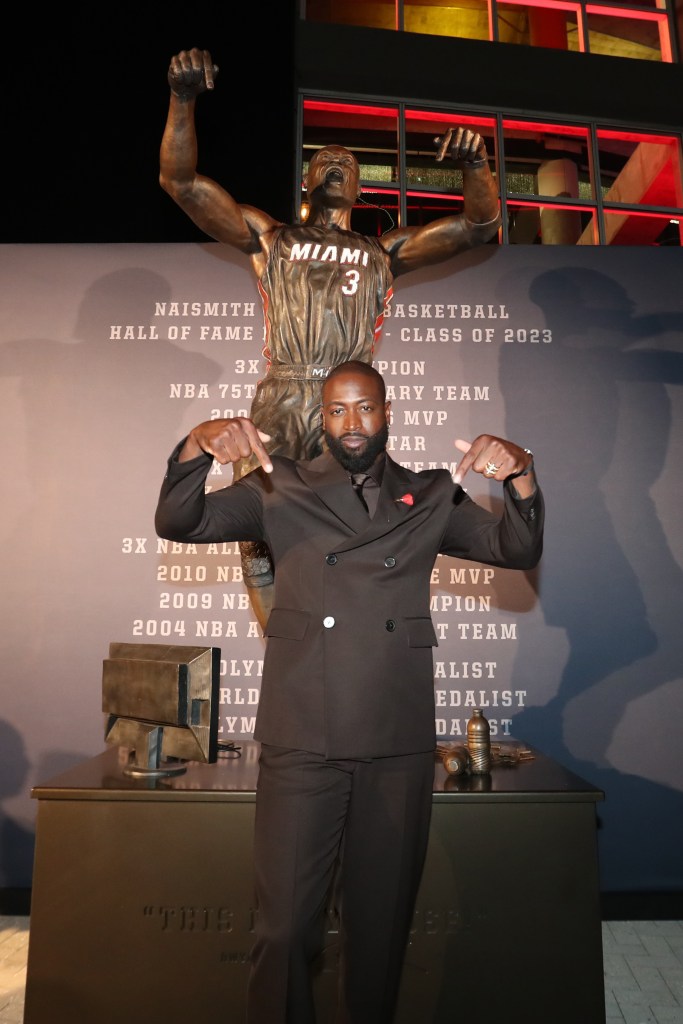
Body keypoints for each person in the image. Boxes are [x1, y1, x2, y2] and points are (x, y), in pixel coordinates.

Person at [155, 359, 543, 1024]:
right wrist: (196, 446)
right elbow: (178, 521)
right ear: (321, 418)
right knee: (281, 931)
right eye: (337, 410)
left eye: (364, 408)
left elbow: (514, 547)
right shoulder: (277, 486)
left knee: (379, 926)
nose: (351, 423)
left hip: (393, 737)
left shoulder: (428, 493)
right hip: (303, 733)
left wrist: (520, 475)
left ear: (387, 412)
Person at [160, 47, 502, 630]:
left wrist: (476, 166)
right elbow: (181, 181)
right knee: (261, 530)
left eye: (349, 161)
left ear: (362, 188)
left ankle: (349, 642)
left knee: (348, 528)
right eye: (326, 160)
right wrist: (182, 99)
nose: (338, 163)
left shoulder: (382, 252)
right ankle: (286, 642)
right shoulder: (272, 237)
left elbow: (480, 225)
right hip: (284, 395)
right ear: (308, 180)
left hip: (343, 406)